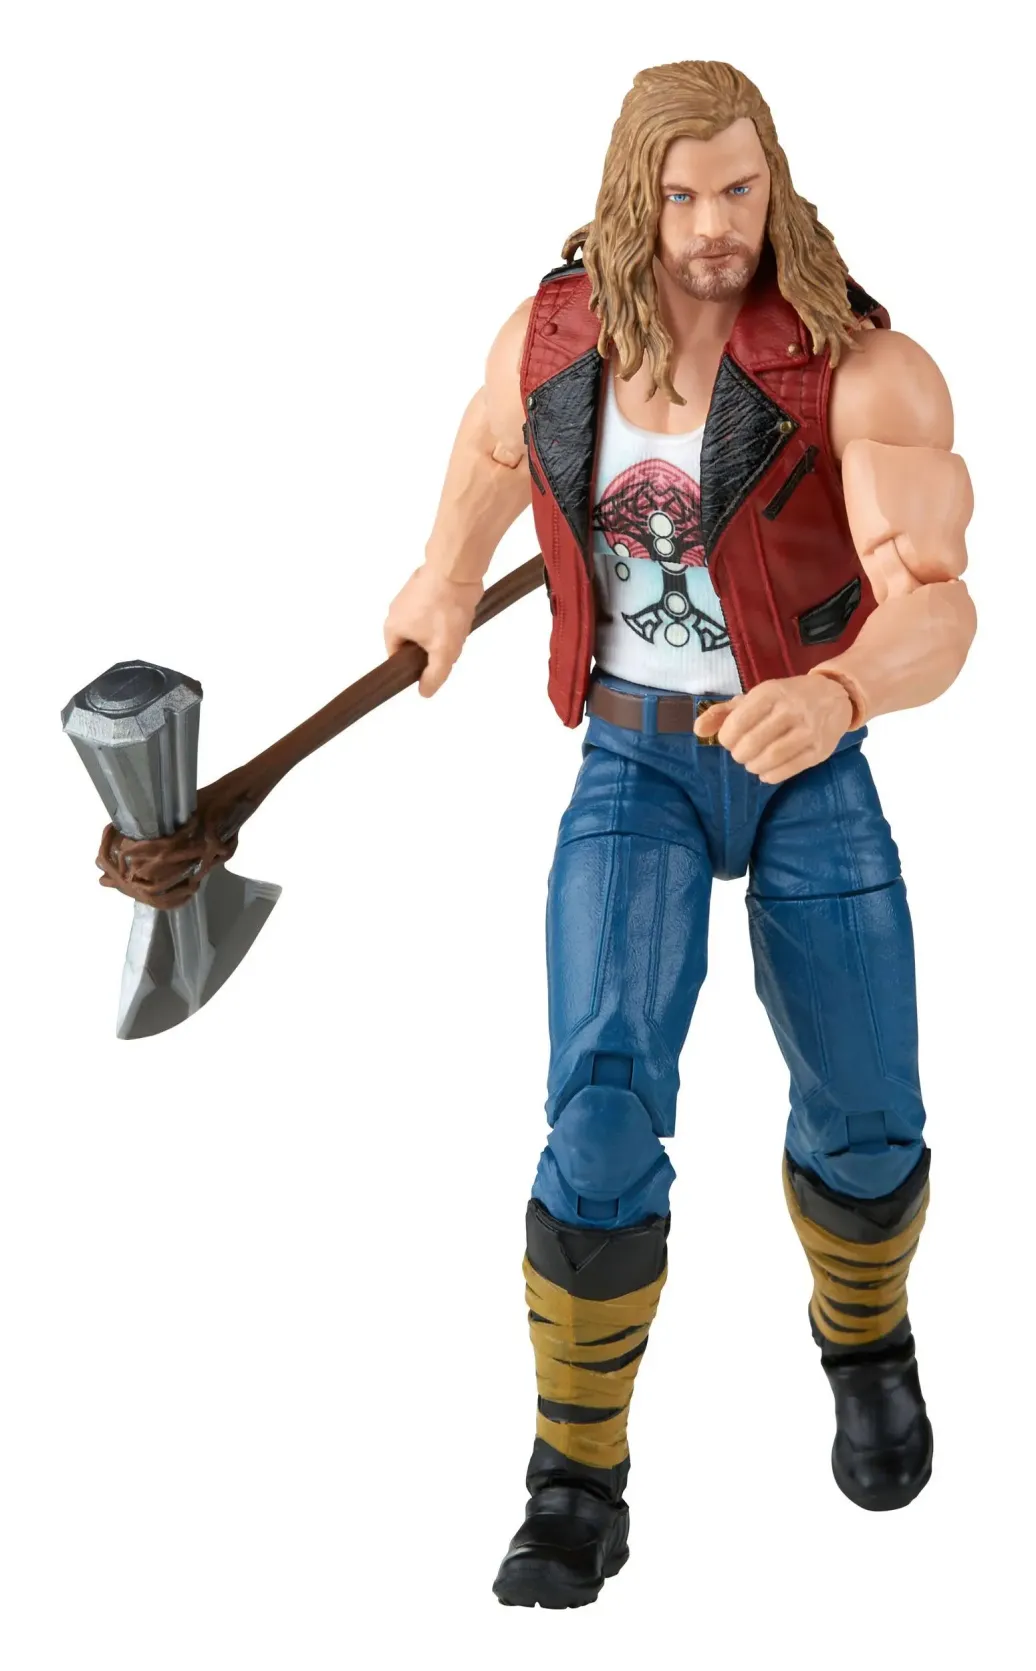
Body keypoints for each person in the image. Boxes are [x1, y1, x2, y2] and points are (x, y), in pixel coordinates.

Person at [383, 60, 975, 1610]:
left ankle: (869, 1344)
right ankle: (574, 1474)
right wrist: (441, 578)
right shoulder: (553, 342)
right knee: (595, 1116)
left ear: (775, 184)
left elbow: (941, 606)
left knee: (868, 1112)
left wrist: (840, 691)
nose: (716, 225)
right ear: (632, 196)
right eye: (684, 194)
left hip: (801, 758)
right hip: (635, 762)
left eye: (740, 189)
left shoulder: (860, 373)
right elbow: (493, 453)